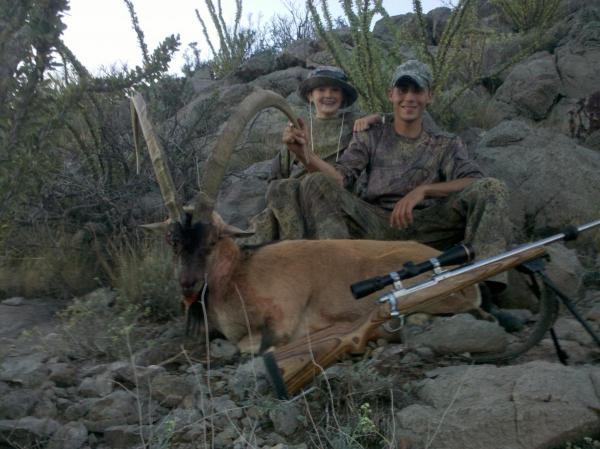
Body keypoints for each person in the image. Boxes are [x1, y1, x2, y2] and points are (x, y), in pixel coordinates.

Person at [281, 59, 519, 329]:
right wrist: (305, 155)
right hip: (377, 224)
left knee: (492, 188)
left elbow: (475, 180)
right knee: (316, 183)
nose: (409, 98)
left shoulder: (446, 144)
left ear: (429, 96)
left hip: (430, 226)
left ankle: (485, 298)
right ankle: (341, 294)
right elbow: (339, 178)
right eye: (402, 90)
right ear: (391, 95)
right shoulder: (370, 135)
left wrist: (424, 190)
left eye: (417, 91)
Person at [248, 66, 378, 241]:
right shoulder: (298, 127)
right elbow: (277, 175)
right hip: (293, 202)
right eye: (321, 89)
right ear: (310, 96)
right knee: (278, 190)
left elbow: (393, 118)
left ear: (343, 96)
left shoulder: (355, 124)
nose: (328, 95)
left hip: (332, 199)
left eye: (335, 90)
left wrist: (375, 117)